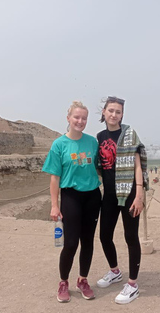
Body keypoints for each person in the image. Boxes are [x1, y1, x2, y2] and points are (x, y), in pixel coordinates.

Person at [42, 100, 102, 303]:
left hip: (93, 196)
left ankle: (83, 280)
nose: (80, 121)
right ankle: (63, 282)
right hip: (71, 196)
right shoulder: (59, 145)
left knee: (88, 242)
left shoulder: (92, 142)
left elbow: (100, 167)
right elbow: (54, 177)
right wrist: (54, 205)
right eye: (76, 117)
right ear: (68, 118)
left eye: (84, 118)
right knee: (70, 243)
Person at [96, 96, 148, 304]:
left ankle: (133, 285)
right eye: (110, 110)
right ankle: (115, 271)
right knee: (104, 236)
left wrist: (140, 194)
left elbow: (137, 165)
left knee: (130, 237)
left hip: (128, 194)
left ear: (122, 115)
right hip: (108, 194)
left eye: (118, 112)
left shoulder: (129, 134)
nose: (114, 115)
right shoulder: (99, 136)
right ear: (104, 112)